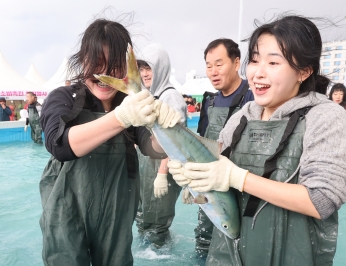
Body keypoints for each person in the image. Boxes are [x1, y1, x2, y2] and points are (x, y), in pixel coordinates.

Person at [169, 15, 346, 265]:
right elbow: (215, 169)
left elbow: (322, 201)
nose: (258, 73)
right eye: (255, 60)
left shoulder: (325, 116)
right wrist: (190, 174)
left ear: (304, 71)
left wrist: (239, 178)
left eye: (273, 63)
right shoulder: (243, 116)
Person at [39, 19, 180, 266]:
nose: (104, 75)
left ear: (127, 67)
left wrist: (164, 129)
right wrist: (121, 117)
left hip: (116, 217)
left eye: (114, 66)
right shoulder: (64, 98)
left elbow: (151, 148)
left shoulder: (129, 102)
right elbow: (59, 144)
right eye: (97, 65)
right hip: (66, 216)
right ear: (83, 61)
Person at [192, 38, 254, 257]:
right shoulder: (209, 102)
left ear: (236, 63)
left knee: (240, 245)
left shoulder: (253, 97)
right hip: (210, 185)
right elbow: (200, 142)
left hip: (242, 184)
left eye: (219, 64)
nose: (213, 72)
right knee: (204, 241)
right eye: (209, 66)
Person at [134, 43, 187, 248]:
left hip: (161, 169)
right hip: (146, 166)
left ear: (161, 68)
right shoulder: (149, 94)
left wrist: (162, 174)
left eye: (150, 68)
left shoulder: (170, 96)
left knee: (157, 225)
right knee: (143, 219)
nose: (145, 73)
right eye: (142, 68)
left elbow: (175, 140)